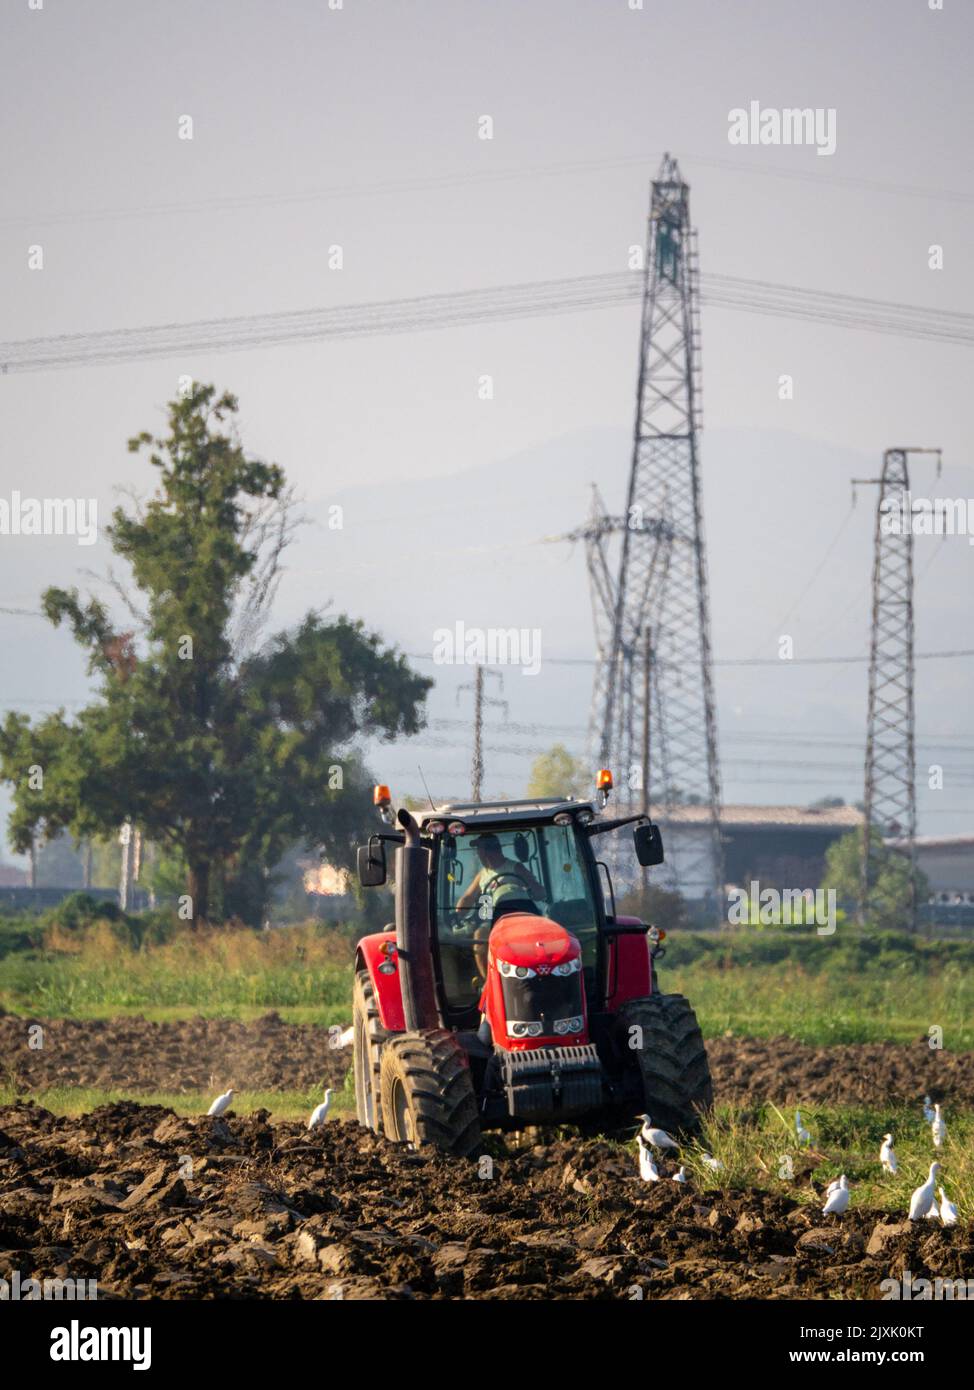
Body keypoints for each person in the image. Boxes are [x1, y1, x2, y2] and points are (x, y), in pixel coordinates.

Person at [456, 833, 546, 980]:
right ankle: (488, 982)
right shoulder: (483, 874)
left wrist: (533, 890)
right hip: (493, 921)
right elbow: (468, 897)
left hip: (521, 918)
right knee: (480, 936)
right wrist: (457, 913)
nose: (478, 854)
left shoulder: (515, 867)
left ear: (488, 851)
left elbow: (539, 891)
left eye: (479, 850)